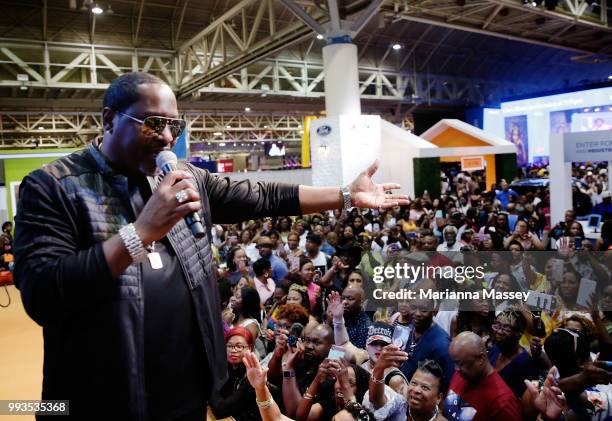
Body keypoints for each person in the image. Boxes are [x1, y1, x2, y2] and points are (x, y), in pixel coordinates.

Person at [13, 72, 409, 419]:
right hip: (105, 397)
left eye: (174, 126)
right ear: (109, 120)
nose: (168, 137)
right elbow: (44, 294)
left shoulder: (184, 176)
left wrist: (344, 194)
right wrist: (141, 231)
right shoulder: (53, 187)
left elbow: (263, 195)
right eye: (153, 124)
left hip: (186, 391)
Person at [445, 332, 521, 421]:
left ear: (481, 358)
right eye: (454, 363)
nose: (456, 369)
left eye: (461, 363)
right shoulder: (462, 373)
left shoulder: (502, 403)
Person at [209, 327, 268, 421]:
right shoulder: (227, 367)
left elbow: (221, 410)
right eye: (229, 346)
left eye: (239, 346)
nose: (233, 350)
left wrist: (208, 384)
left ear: (250, 348)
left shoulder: (253, 375)